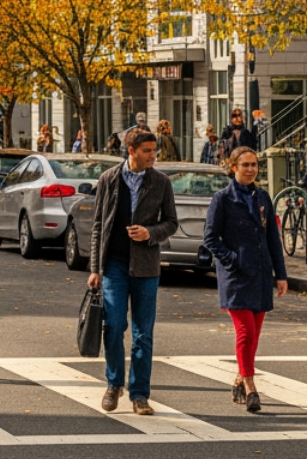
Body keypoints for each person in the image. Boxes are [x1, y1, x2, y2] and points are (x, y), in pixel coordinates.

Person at [88, 127, 178, 416]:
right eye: (147, 151)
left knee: (143, 333)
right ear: (131, 151)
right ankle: (114, 384)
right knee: (113, 326)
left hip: (146, 266)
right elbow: (98, 225)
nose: (153, 155)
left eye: (154, 150)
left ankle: (140, 394)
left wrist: (149, 233)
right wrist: (95, 268)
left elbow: (171, 223)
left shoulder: (161, 182)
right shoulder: (109, 179)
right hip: (113, 264)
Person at [203, 146, 288, 413]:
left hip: (261, 274)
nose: (251, 169)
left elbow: (272, 238)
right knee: (245, 332)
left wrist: (280, 274)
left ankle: (240, 376)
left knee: (255, 335)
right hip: (236, 276)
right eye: (245, 165)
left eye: (254, 165)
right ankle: (251, 387)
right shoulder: (222, 199)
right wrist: (231, 259)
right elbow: (210, 238)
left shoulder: (262, 196)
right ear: (233, 168)